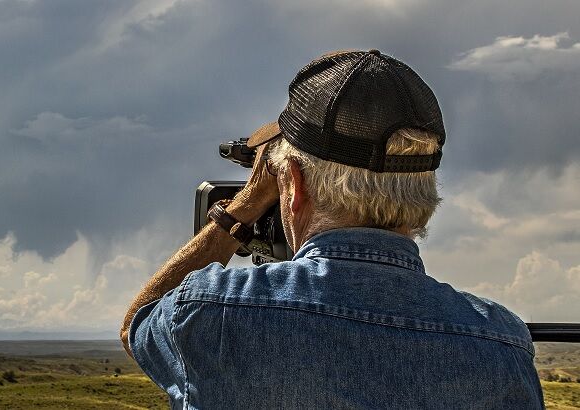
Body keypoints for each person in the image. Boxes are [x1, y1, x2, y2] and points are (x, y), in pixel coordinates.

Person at [120, 50, 544, 409]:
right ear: (425, 192)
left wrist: (242, 210)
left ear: (294, 186)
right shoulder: (502, 343)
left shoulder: (213, 312)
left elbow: (139, 323)